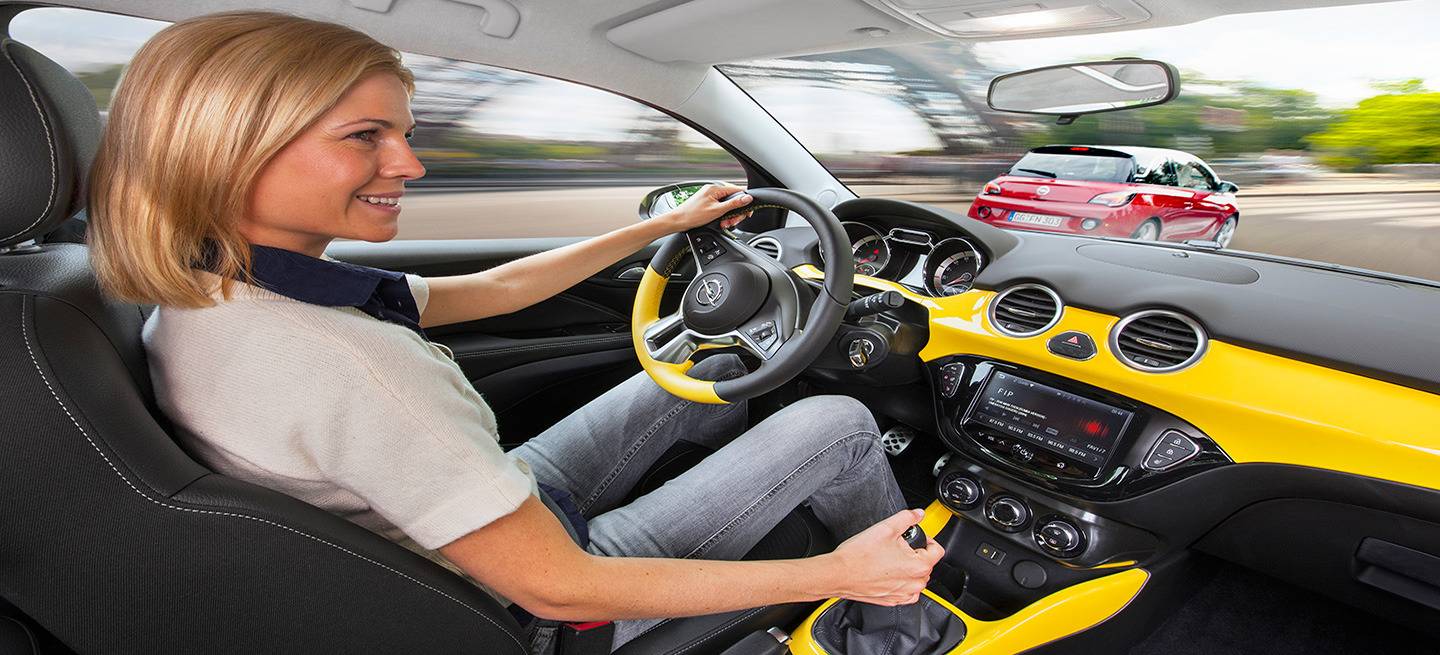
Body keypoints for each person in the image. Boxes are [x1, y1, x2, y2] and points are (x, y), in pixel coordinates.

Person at [87, 11, 943, 651]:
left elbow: (494, 289)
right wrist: (841, 571)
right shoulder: (341, 359)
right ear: (225, 150)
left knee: (690, 360)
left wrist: (658, 228)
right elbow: (563, 588)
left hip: (464, 521)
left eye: (405, 134)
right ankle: (894, 616)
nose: (410, 165)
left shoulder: (221, 285)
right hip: (524, 605)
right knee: (835, 424)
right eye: (364, 137)